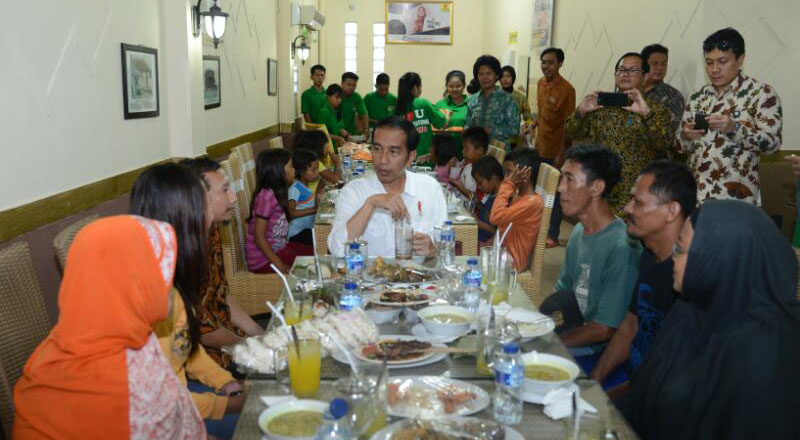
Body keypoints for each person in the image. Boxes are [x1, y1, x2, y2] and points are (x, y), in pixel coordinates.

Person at [13, 216, 206, 440]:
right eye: (156, 269)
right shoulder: (116, 385)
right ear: (129, 281)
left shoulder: (121, 332)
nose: (167, 280)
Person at [621, 200, 800, 439]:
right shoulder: (691, 309)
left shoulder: (764, 354)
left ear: (718, 258)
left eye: (681, 249)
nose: (673, 257)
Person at [130, 164, 244, 439]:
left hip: (180, 398)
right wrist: (229, 404)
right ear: (182, 215)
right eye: (202, 205)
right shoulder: (148, 293)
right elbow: (160, 407)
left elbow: (185, 344)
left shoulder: (171, 273)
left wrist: (225, 382)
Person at [590, 161, 697, 391]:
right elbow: (631, 324)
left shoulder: (687, 278)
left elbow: (675, 377)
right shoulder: (649, 255)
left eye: (637, 202)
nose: (627, 209)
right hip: (635, 382)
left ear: (671, 211)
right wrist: (594, 381)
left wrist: (613, 400)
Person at [542, 145, 641, 363]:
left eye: (569, 179)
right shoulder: (579, 231)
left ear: (596, 187)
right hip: (577, 334)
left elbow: (605, 330)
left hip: (598, 350)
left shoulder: (622, 246)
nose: (560, 188)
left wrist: (547, 344)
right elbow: (562, 292)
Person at [679, 28, 782, 205]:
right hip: (697, 197)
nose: (714, 69)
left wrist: (735, 129)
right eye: (709, 63)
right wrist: (685, 136)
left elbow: (772, 144)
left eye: (722, 61)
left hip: (737, 198)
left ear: (740, 59)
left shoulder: (761, 94)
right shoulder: (698, 97)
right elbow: (680, 147)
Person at [179, 158, 264, 371]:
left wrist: (258, 333)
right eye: (225, 190)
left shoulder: (212, 231)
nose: (233, 198)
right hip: (195, 354)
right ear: (197, 199)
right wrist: (250, 347)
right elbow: (203, 332)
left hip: (225, 330)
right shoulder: (183, 249)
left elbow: (222, 294)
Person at [565, 52, 673, 214]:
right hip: (601, 188)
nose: (625, 74)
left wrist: (646, 115)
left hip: (635, 192)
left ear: (645, 77)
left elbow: (663, 143)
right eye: (621, 70)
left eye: (633, 70)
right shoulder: (600, 107)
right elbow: (570, 131)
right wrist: (580, 112)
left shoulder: (655, 110)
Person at [328, 116, 447, 258]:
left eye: (393, 151)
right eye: (377, 149)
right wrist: (371, 203)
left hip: (419, 278)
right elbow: (337, 250)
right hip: (369, 279)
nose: (383, 160)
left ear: (410, 157)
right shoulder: (354, 191)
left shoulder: (429, 188)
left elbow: (445, 247)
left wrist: (434, 250)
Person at [533, 47, 575, 249]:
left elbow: (569, 126)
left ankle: (553, 234)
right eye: (543, 62)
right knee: (539, 191)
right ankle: (539, 229)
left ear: (560, 64)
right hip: (539, 145)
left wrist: (562, 155)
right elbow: (542, 114)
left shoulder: (567, 90)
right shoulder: (541, 84)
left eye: (551, 62)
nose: (546, 66)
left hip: (556, 150)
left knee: (555, 194)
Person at [246, 149, 312, 273]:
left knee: (316, 252)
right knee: (313, 263)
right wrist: (281, 266)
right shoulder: (266, 196)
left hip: (278, 249)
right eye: (291, 166)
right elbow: (259, 237)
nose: (294, 170)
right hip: (263, 260)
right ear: (277, 171)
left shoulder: (279, 192)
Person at [490, 149, 544, 271]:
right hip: (503, 254)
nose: (506, 178)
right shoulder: (519, 196)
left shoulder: (532, 203)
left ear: (527, 173)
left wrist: (507, 185)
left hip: (512, 263)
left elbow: (495, 217)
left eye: (510, 173)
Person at [465, 55, 520, 148]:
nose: (485, 77)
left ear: (497, 75)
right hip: (476, 151)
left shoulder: (507, 99)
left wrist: (492, 131)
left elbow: (515, 130)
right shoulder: (472, 100)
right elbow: (468, 124)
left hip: (499, 153)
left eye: (489, 73)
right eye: (481, 74)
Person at [394, 72, 449, 164]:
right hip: (425, 158)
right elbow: (443, 122)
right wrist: (446, 113)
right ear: (415, 88)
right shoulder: (423, 103)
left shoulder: (397, 108)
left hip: (404, 159)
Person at [641, 44, 685, 142]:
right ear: (643, 65)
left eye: (663, 64)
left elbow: (673, 135)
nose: (660, 68)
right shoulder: (632, 92)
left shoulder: (673, 96)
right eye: (655, 64)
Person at [287, 148, 320, 246]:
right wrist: (314, 209)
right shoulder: (295, 188)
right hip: (296, 234)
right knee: (322, 238)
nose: (317, 172)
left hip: (306, 229)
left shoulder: (305, 186)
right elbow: (291, 213)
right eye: (313, 170)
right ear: (301, 171)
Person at [470, 155, 503, 246]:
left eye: (480, 183)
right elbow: (488, 213)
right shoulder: (492, 194)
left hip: (486, 244)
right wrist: (478, 205)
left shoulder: (503, 200)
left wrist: (479, 223)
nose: (479, 187)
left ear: (493, 178)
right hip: (478, 237)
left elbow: (500, 232)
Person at [435, 70, 469, 154]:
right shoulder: (440, 105)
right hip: (443, 151)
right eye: (451, 86)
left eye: (458, 86)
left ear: (464, 86)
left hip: (465, 150)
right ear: (446, 86)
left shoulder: (471, 104)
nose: (454, 89)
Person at [449, 126, 488, 201]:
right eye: (463, 148)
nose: (463, 151)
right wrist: (454, 166)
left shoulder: (483, 171)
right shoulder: (464, 162)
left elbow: (478, 201)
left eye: (466, 148)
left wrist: (460, 186)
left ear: (480, 150)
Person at [500, 65, 534, 148]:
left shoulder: (520, 97)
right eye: (502, 76)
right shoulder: (494, 96)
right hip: (498, 139)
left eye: (508, 76)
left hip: (516, 138)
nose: (505, 79)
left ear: (513, 78)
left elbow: (528, 117)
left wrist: (527, 127)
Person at [340, 72, 368, 137]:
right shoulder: (336, 97)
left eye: (354, 85)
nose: (352, 88)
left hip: (351, 134)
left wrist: (366, 129)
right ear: (342, 83)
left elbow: (364, 114)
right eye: (349, 85)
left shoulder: (356, 97)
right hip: (337, 134)